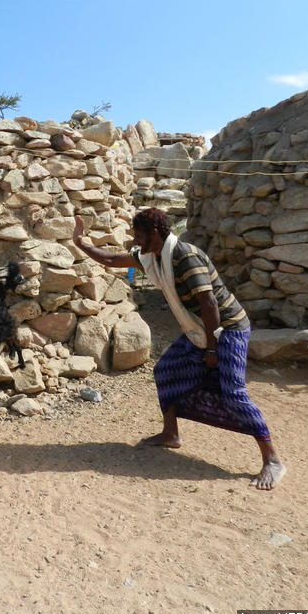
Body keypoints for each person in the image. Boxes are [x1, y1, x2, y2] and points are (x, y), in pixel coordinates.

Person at [71, 208, 286, 490]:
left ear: (155, 234)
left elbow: (209, 304)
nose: (135, 242)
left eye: (139, 236)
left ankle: (272, 460)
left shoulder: (184, 256)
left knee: (233, 393)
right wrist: (80, 242)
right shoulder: (153, 256)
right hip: (200, 329)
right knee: (166, 371)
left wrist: (211, 351)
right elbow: (112, 260)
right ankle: (170, 434)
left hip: (227, 329)